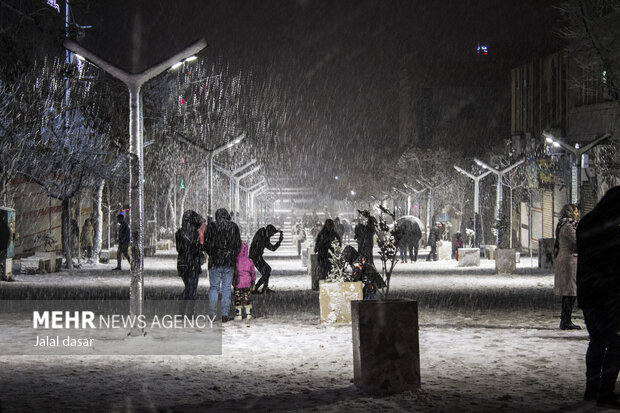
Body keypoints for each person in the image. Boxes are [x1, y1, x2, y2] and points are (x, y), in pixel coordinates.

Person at [576, 186, 620, 406]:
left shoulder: (587, 222)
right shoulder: (611, 226)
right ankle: (605, 391)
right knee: (615, 342)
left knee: (596, 340)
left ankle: (591, 387)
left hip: (588, 291)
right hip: (607, 294)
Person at [204, 208, 241, 322]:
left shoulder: (211, 227)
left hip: (214, 262)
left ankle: (212, 313)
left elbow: (206, 245)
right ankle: (225, 314)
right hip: (229, 262)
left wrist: (214, 253)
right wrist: (231, 253)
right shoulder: (233, 227)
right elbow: (238, 245)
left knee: (214, 288)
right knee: (226, 288)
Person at [554, 204, 580, 330]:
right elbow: (578, 241)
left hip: (567, 260)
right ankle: (566, 321)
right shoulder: (569, 227)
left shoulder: (562, 225)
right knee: (570, 293)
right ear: (570, 213)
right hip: (569, 262)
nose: (577, 214)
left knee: (569, 292)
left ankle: (565, 320)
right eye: (575, 212)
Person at [175, 210, 206, 300]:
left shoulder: (179, 233)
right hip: (192, 264)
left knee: (190, 288)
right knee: (191, 289)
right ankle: (187, 308)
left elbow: (179, 249)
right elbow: (200, 247)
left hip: (184, 264)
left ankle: (185, 307)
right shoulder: (195, 234)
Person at [249, 224, 283, 294]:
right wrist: (279, 241)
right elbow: (272, 248)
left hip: (257, 256)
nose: (271, 236)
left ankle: (264, 288)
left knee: (267, 271)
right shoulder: (262, 237)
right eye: (271, 234)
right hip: (255, 257)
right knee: (267, 271)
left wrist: (277, 234)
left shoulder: (263, 233)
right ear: (268, 232)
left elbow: (272, 247)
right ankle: (256, 288)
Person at [233, 242, 256, 321]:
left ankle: (238, 314)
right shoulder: (249, 260)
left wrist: (233, 281)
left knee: (238, 298)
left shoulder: (236, 260)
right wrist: (253, 280)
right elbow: (253, 272)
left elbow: (234, 272)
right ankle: (248, 314)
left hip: (238, 282)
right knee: (247, 298)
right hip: (247, 282)